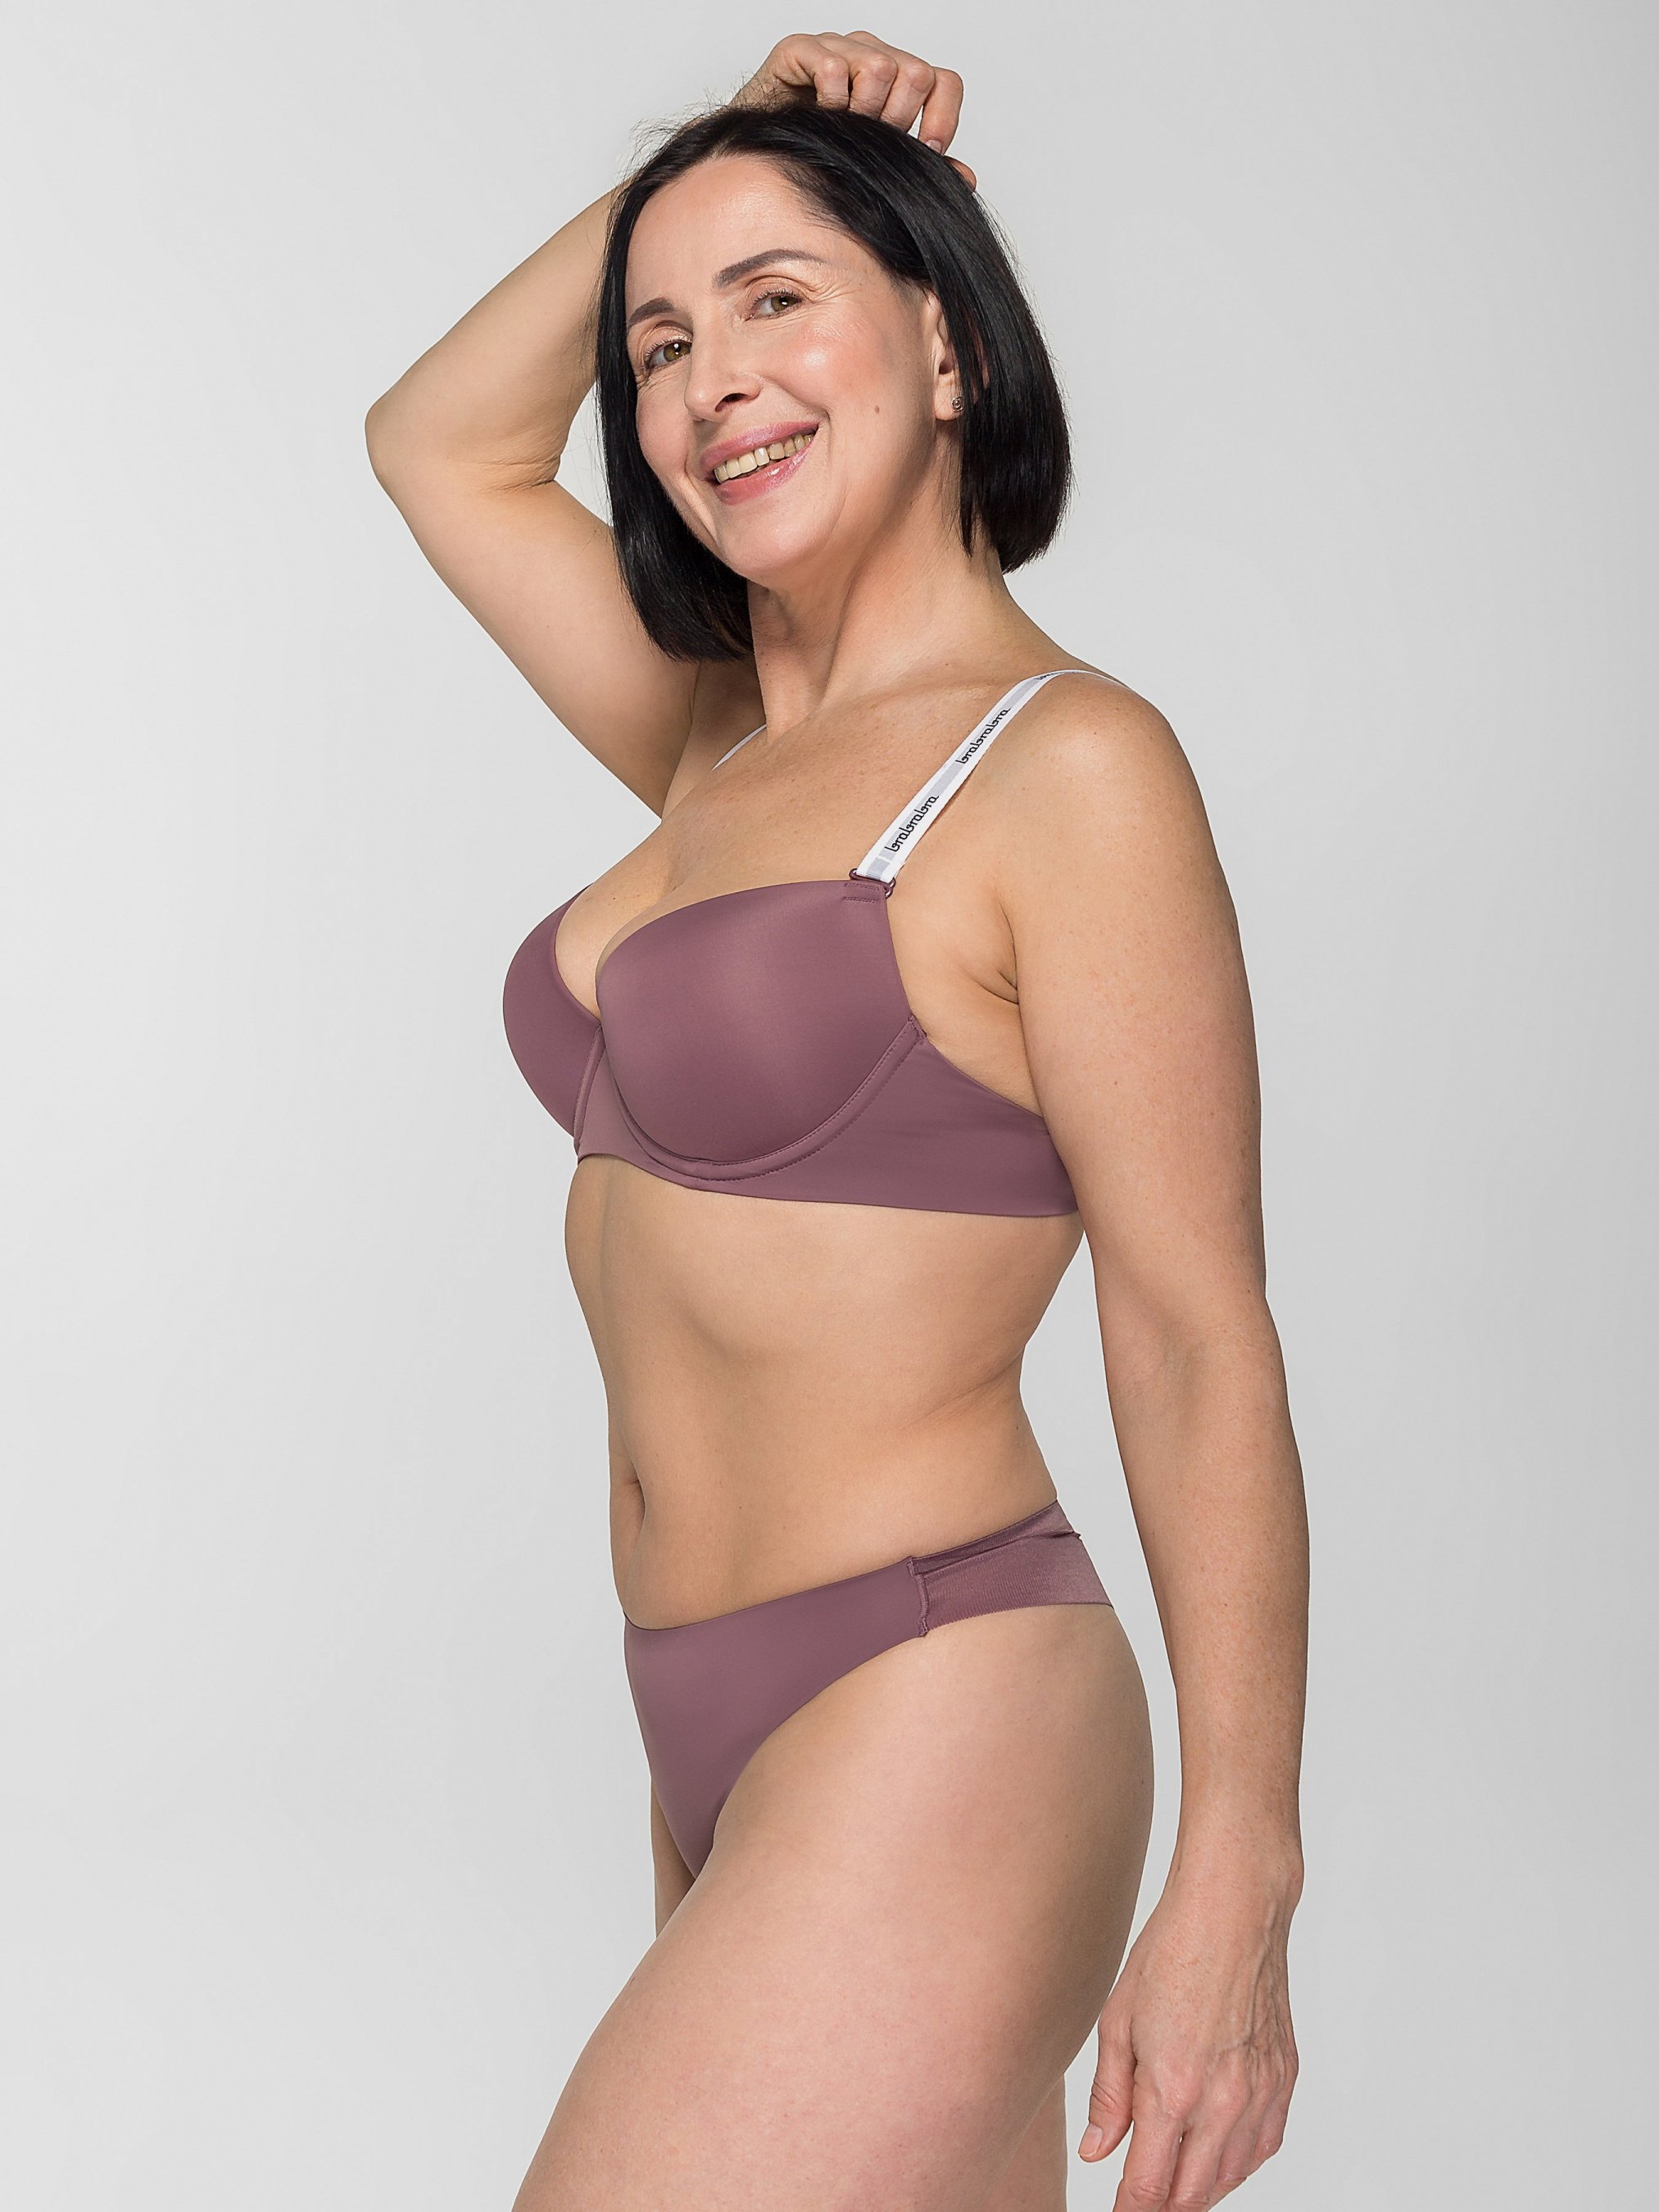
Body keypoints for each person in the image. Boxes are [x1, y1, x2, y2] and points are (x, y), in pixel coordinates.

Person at [365, 30, 1307, 2212]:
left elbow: (1193, 1336)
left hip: (935, 1695)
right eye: (661, 347)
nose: (713, 383)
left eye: (778, 300)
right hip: (701, 1722)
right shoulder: (719, 748)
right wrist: (724, 159)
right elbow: (437, 444)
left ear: (948, 345)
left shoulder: (1062, 768)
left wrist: (1238, 1867)